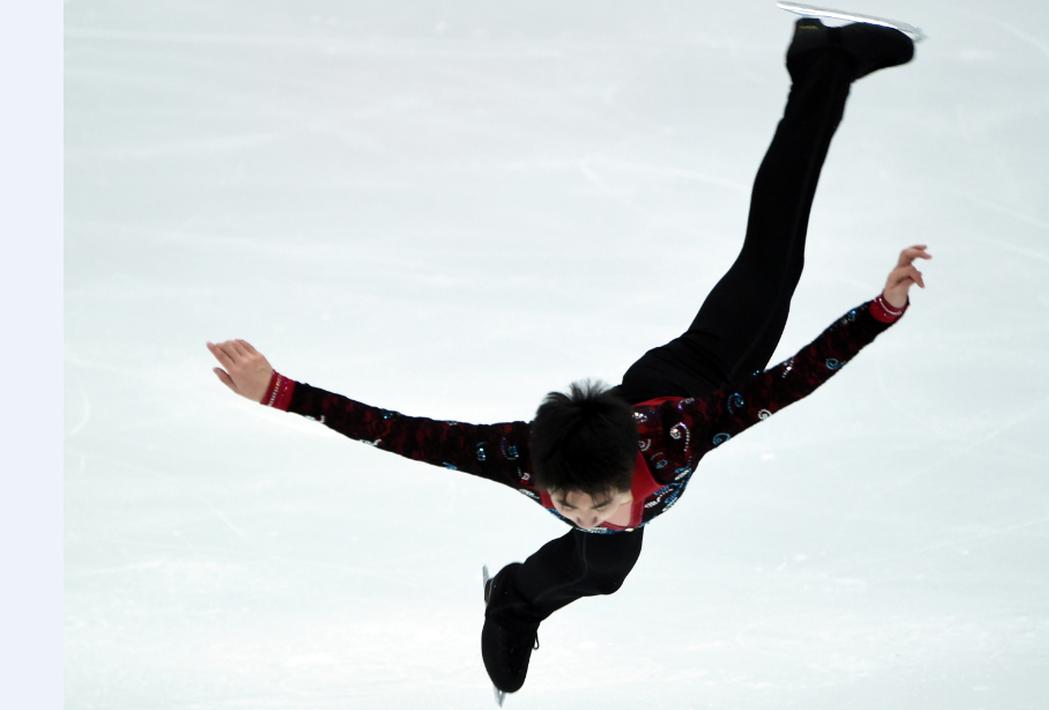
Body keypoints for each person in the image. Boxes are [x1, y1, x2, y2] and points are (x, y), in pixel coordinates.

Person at [205, 16, 930, 699]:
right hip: (637, 432)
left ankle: (821, 67)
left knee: (776, 247)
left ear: (629, 471)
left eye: (597, 501)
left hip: (707, 367)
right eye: (569, 504)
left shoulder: (680, 434)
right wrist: (279, 392)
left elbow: (793, 380)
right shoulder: (523, 459)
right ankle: (516, 599)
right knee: (606, 568)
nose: (582, 513)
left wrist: (880, 309)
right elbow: (397, 432)